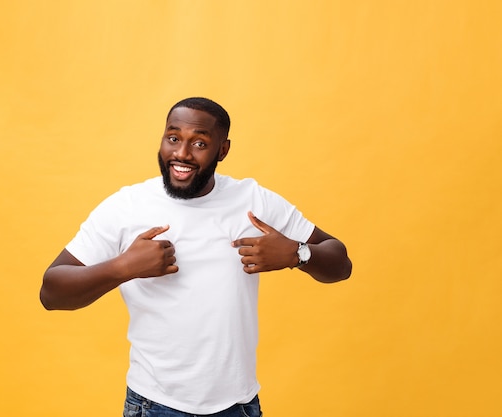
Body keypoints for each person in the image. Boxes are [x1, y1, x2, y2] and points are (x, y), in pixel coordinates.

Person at [40, 97, 352, 416]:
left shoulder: (254, 201)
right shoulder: (127, 207)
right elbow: (51, 292)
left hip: (238, 405)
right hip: (154, 405)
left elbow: (340, 263)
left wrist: (297, 254)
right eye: (173, 138)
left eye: (199, 143)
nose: (182, 154)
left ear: (223, 150)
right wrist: (123, 267)